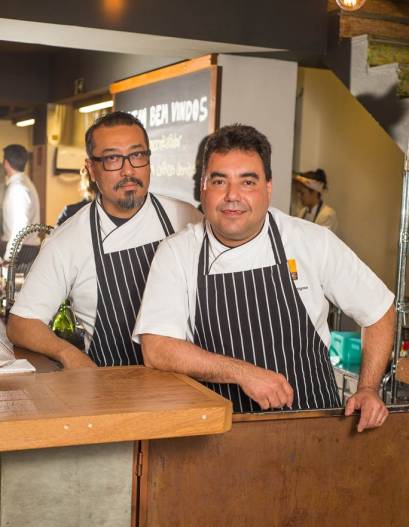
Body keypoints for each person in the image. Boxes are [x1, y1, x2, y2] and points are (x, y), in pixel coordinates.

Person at [134, 124, 395, 432]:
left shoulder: (310, 241)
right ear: (203, 187)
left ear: (268, 187)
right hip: (218, 435)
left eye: (248, 182)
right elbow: (157, 347)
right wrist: (242, 373)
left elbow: (379, 311)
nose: (233, 196)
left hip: (314, 427)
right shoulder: (178, 253)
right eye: (220, 181)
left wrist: (367, 389)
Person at [7, 111, 202, 369]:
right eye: (112, 159)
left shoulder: (185, 217)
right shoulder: (68, 239)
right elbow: (21, 324)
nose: (128, 170)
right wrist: (69, 354)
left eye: (137, 155)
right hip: (110, 389)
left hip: (189, 384)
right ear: (91, 169)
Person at [1, 144, 40, 261]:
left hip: (21, 251)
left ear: (6, 162)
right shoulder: (24, 182)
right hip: (23, 248)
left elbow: (20, 225)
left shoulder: (18, 188)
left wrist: (9, 256)